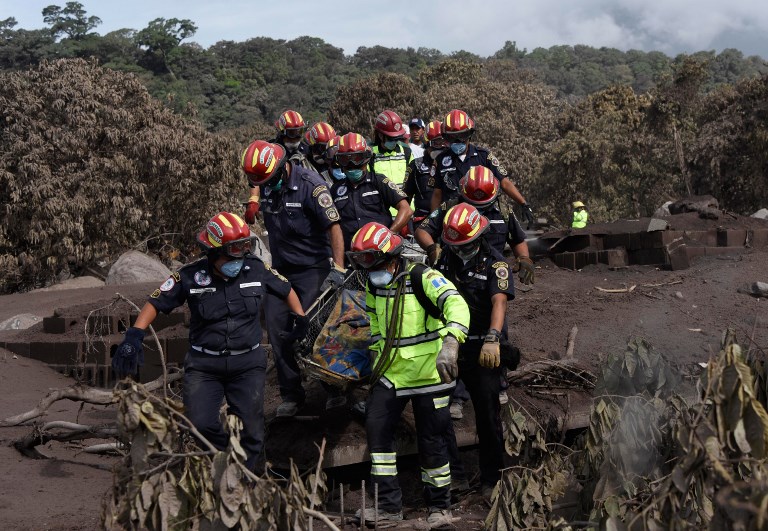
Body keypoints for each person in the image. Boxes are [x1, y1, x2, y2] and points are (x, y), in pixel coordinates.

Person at [111, 212, 307, 471]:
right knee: (200, 424)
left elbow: (286, 289)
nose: (240, 256)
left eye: (245, 247)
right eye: (233, 250)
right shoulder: (191, 276)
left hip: (247, 364)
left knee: (252, 427)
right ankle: (225, 464)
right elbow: (157, 301)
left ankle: (253, 480)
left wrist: (300, 318)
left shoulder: (256, 269)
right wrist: (134, 335)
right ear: (213, 251)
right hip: (204, 366)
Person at [346, 222, 470, 526]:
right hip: (392, 375)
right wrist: (375, 354)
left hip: (431, 374)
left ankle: (439, 508)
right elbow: (375, 321)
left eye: (369, 261)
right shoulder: (374, 284)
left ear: (390, 258)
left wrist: (452, 341)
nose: (366, 268)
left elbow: (456, 304)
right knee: (378, 433)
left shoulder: (422, 277)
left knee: (433, 441)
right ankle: (389, 507)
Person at [241, 140, 347, 417]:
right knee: (277, 331)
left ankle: (333, 388)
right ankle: (292, 394)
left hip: (314, 269)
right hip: (280, 271)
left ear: (281, 169)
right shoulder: (266, 183)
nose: (264, 185)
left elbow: (334, 227)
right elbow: (256, 183)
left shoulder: (312, 186)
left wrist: (338, 268)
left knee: (316, 330)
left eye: (267, 180)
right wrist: (253, 200)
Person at [435, 203, 515, 498]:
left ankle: (492, 478)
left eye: (464, 245)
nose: (459, 250)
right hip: (450, 346)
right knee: (438, 413)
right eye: (454, 245)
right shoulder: (446, 260)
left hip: (483, 347)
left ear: (478, 238)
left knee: (487, 415)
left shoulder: (497, 265)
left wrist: (493, 337)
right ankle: (454, 475)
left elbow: (499, 302)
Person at [416, 166, 536, 286]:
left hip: (489, 279)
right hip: (452, 277)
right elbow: (422, 230)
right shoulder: (450, 207)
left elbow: (517, 239)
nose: (477, 210)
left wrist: (524, 258)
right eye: (472, 204)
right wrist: (432, 249)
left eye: (483, 206)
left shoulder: (503, 212)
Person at [430, 109, 535, 230]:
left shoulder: (483, 156)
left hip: (483, 218)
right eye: (452, 138)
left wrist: (523, 203)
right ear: (445, 137)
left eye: (462, 136)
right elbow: (437, 194)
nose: (458, 141)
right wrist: (434, 222)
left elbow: (504, 182)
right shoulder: (440, 160)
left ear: (470, 134)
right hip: (453, 221)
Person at [330, 132, 413, 249]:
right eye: (345, 160)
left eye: (357, 158)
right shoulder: (335, 190)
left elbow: (406, 209)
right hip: (349, 254)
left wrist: (389, 234)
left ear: (366, 158)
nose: (352, 165)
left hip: (381, 251)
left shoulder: (379, 181)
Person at [243, 109, 311, 225]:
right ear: (282, 132)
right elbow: (256, 175)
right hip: (272, 205)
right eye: (292, 133)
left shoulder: (306, 151)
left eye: (299, 132)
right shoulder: (268, 150)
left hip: (300, 205)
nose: (296, 137)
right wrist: (253, 199)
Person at [402, 120, 445, 226]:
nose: (440, 146)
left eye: (443, 142)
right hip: (423, 221)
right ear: (428, 143)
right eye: (436, 142)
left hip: (450, 218)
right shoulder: (416, 165)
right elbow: (406, 196)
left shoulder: (453, 164)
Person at [370, 109, 414, 195]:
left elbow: (414, 179)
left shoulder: (406, 152)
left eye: (397, 138)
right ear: (380, 135)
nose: (394, 141)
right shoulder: (372, 155)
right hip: (383, 207)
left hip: (407, 206)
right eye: (391, 138)